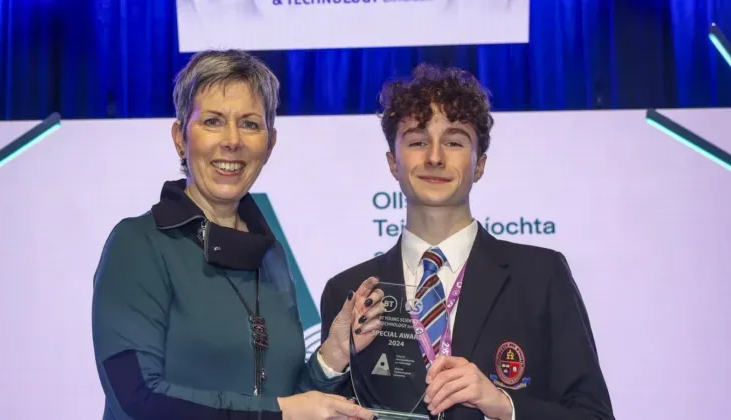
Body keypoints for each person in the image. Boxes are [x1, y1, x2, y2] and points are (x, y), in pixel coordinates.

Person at [91, 49, 384, 420]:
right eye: (213, 121)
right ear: (180, 138)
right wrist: (281, 412)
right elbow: (138, 398)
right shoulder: (138, 245)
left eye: (249, 124)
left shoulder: (270, 255)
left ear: (270, 143)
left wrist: (332, 357)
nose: (232, 140)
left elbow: (286, 400)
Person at [319, 64, 614, 419]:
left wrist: (505, 406)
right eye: (416, 141)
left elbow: (594, 414)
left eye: (454, 141)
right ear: (393, 163)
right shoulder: (349, 292)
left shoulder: (540, 276)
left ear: (479, 165)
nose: (434, 157)